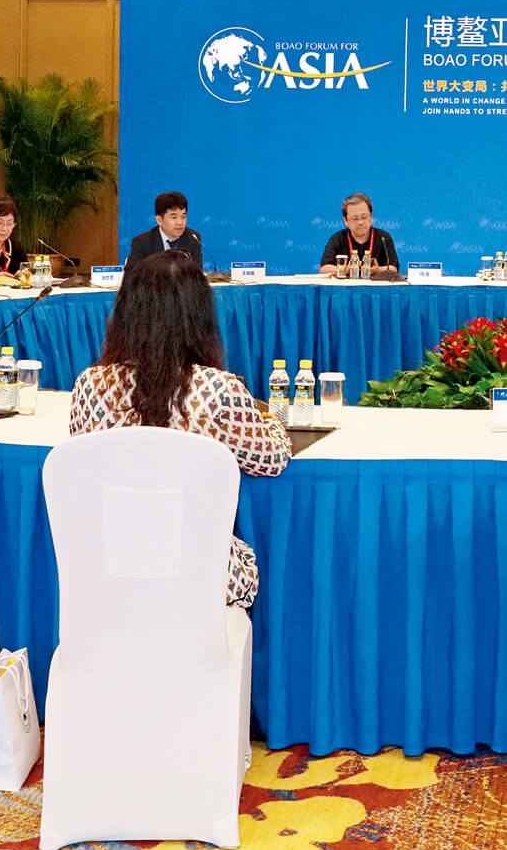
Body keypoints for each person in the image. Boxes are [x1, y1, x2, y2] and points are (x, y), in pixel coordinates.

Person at [68, 251, 289, 608]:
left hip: (108, 571)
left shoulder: (89, 385)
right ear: (200, 317)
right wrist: (271, 421)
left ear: (126, 312)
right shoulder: (219, 389)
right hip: (201, 578)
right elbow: (272, 459)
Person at [319, 193, 399, 274]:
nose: (360, 222)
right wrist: (346, 270)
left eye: (364, 217)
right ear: (346, 220)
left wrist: (378, 271)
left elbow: (393, 268)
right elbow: (324, 268)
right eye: (355, 218)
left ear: (371, 217)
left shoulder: (383, 238)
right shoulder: (338, 239)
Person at [125, 191, 204, 271]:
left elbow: (198, 274)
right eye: (173, 217)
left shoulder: (193, 238)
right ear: (159, 220)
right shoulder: (142, 242)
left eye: (183, 217)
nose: (180, 222)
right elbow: (130, 274)